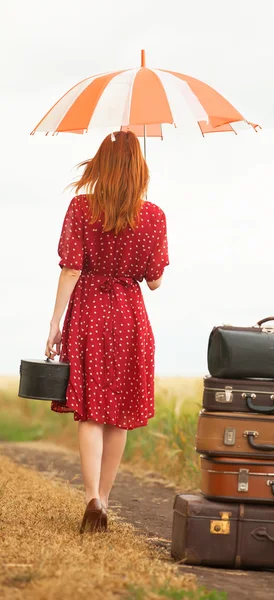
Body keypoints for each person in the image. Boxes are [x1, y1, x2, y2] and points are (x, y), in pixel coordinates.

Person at [44, 131, 169, 534]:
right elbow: (154, 282)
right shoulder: (154, 216)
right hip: (130, 318)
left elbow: (71, 268)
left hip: (90, 314)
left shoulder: (81, 208)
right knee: (119, 416)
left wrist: (55, 321)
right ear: (139, 169)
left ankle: (91, 499)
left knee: (91, 412)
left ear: (101, 165)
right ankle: (107, 500)